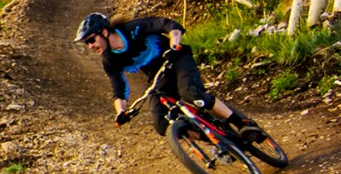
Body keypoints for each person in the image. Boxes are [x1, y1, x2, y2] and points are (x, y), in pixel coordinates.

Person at [74, 12, 261, 139]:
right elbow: (119, 88)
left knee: (192, 95)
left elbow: (168, 25)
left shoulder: (133, 29)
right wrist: (121, 112)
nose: (90, 46)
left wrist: (174, 44)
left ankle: (242, 123)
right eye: (87, 44)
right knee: (162, 125)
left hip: (177, 58)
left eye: (91, 40)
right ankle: (217, 138)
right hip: (158, 76)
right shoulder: (109, 60)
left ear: (105, 32)